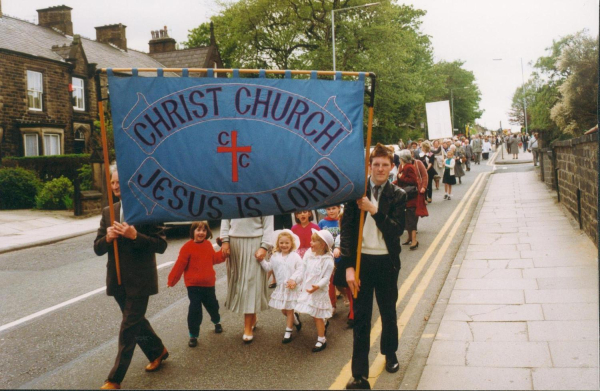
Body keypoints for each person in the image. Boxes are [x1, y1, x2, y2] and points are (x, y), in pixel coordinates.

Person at [337, 143, 406, 389]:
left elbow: (397, 230)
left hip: (387, 262)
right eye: (375, 164)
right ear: (369, 165)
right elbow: (346, 231)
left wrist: (374, 211)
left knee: (388, 313)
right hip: (361, 262)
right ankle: (359, 374)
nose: (379, 168)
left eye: (384, 165)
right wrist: (347, 267)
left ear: (392, 167)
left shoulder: (398, 195)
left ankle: (390, 352)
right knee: (362, 319)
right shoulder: (356, 193)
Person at [95, 165, 168, 390]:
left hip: (141, 279)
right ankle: (158, 351)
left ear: (129, 182)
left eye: (119, 182)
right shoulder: (109, 211)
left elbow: (161, 244)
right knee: (136, 323)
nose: (116, 186)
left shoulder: (147, 207)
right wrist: (107, 238)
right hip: (117, 279)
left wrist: (135, 235)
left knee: (128, 328)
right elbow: (97, 248)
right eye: (113, 182)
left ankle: (114, 379)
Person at [167, 221, 226, 348]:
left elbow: (215, 259)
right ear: (192, 231)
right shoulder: (187, 247)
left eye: (204, 230)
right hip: (193, 285)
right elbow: (179, 265)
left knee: (213, 305)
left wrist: (223, 250)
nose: (201, 233)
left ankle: (216, 321)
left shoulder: (208, 245)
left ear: (207, 232)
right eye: (198, 230)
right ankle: (193, 335)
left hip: (209, 283)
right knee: (195, 309)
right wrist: (172, 281)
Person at [220, 216, 274, 343]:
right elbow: (225, 215)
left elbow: (268, 222)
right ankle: (252, 315)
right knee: (240, 283)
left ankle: (247, 327)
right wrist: (225, 240)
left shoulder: (263, 197)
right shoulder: (231, 195)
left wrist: (264, 246)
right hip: (235, 243)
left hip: (255, 242)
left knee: (250, 283)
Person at [293, 229, 335, 352]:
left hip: (319, 291)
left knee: (317, 315)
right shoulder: (308, 255)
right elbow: (303, 270)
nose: (310, 243)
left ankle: (322, 339)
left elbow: (326, 278)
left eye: (314, 241)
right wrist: (295, 280)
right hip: (308, 288)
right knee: (314, 312)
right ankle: (324, 321)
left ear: (322, 245)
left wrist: (317, 286)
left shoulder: (327, 260)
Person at [258, 229, 303, 343]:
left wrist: (294, 279)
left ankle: (288, 332)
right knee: (284, 310)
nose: (284, 245)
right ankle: (296, 321)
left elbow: (301, 269)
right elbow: (269, 267)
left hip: (291, 287)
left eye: (287, 243)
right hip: (281, 287)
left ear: (291, 244)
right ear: (278, 244)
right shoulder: (275, 256)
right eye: (281, 243)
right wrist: (261, 261)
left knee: (289, 310)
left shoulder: (295, 256)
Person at [397, 150, 420, 250]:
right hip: (406, 196)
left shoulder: (409, 167)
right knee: (407, 218)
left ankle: (414, 240)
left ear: (402, 159)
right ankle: (409, 238)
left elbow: (413, 181)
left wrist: (401, 178)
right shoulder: (404, 166)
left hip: (411, 196)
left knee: (411, 218)